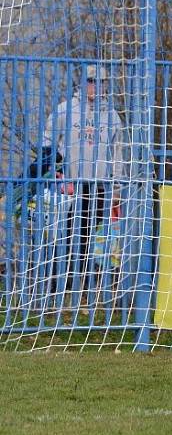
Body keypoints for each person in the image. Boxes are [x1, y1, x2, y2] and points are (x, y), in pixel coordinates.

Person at [42, 64, 126, 303]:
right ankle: (58, 289)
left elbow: (117, 154)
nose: (95, 86)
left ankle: (89, 291)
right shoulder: (65, 110)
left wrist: (116, 188)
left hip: (99, 186)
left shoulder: (112, 116)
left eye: (101, 82)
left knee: (93, 240)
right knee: (64, 237)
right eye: (91, 81)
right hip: (69, 187)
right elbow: (47, 145)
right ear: (82, 82)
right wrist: (55, 175)